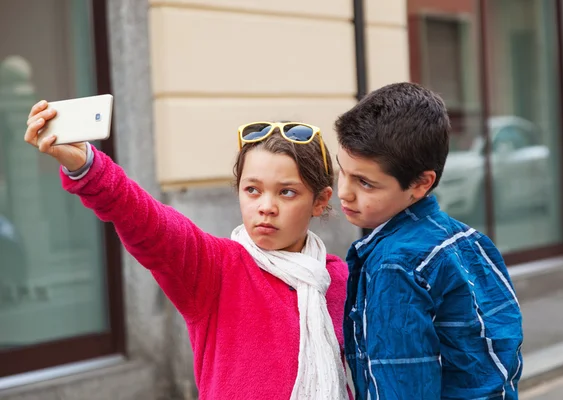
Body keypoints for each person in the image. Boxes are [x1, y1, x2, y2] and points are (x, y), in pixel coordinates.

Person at [24, 102, 350, 400]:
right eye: (252, 190)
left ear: (320, 201)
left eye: (287, 192)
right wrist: (88, 167)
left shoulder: (341, 279)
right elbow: (149, 223)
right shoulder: (216, 268)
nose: (266, 207)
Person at [334, 82, 523, 399]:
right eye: (342, 171)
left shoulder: (393, 266)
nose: (344, 192)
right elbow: (502, 349)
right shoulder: (470, 241)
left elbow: (400, 385)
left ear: (421, 183)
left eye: (365, 183)